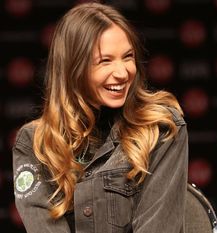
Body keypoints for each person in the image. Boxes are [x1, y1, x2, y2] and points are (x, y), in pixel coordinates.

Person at [12, 2, 188, 233]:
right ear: (73, 68)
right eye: (105, 61)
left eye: (128, 57)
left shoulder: (161, 129)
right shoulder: (35, 143)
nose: (123, 72)